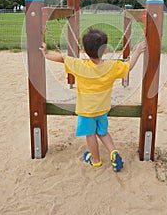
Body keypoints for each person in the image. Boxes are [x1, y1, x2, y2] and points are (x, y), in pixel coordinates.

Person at [40, 28, 146, 172]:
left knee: (90, 135)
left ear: (84, 49)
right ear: (106, 50)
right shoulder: (112, 67)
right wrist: (138, 52)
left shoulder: (79, 65)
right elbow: (129, 67)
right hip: (103, 109)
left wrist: (46, 54)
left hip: (87, 111)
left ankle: (95, 160)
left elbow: (62, 58)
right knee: (103, 132)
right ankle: (113, 152)